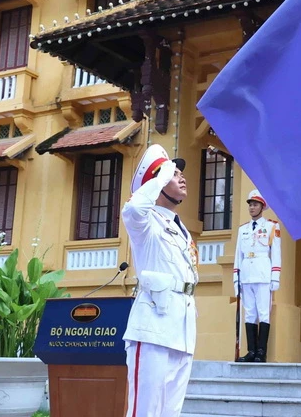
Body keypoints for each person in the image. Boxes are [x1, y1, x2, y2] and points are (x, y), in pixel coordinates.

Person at [121, 144, 196, 417]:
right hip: (153, 328)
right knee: (145, 411)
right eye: (174, 174)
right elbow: (132, 208)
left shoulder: (180, 228)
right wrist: (161, 177)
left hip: (181, 331)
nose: (181, 177)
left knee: (170, 412)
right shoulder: (146, 223)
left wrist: (166, 174)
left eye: (179, 173)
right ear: (158, 183)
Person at [232, 188, 282, 362]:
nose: (252, 207)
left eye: (255, 205)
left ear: (262, 207)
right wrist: (236, 278)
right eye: (250, 205)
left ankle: (261, 352)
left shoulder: (271, 226)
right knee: (249, 313)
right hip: (246, 274)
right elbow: (238, 255)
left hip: (263, 274)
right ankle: (251, 351)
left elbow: (276, 253)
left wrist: (275, 276)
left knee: (263, 313)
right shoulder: (243, 229)